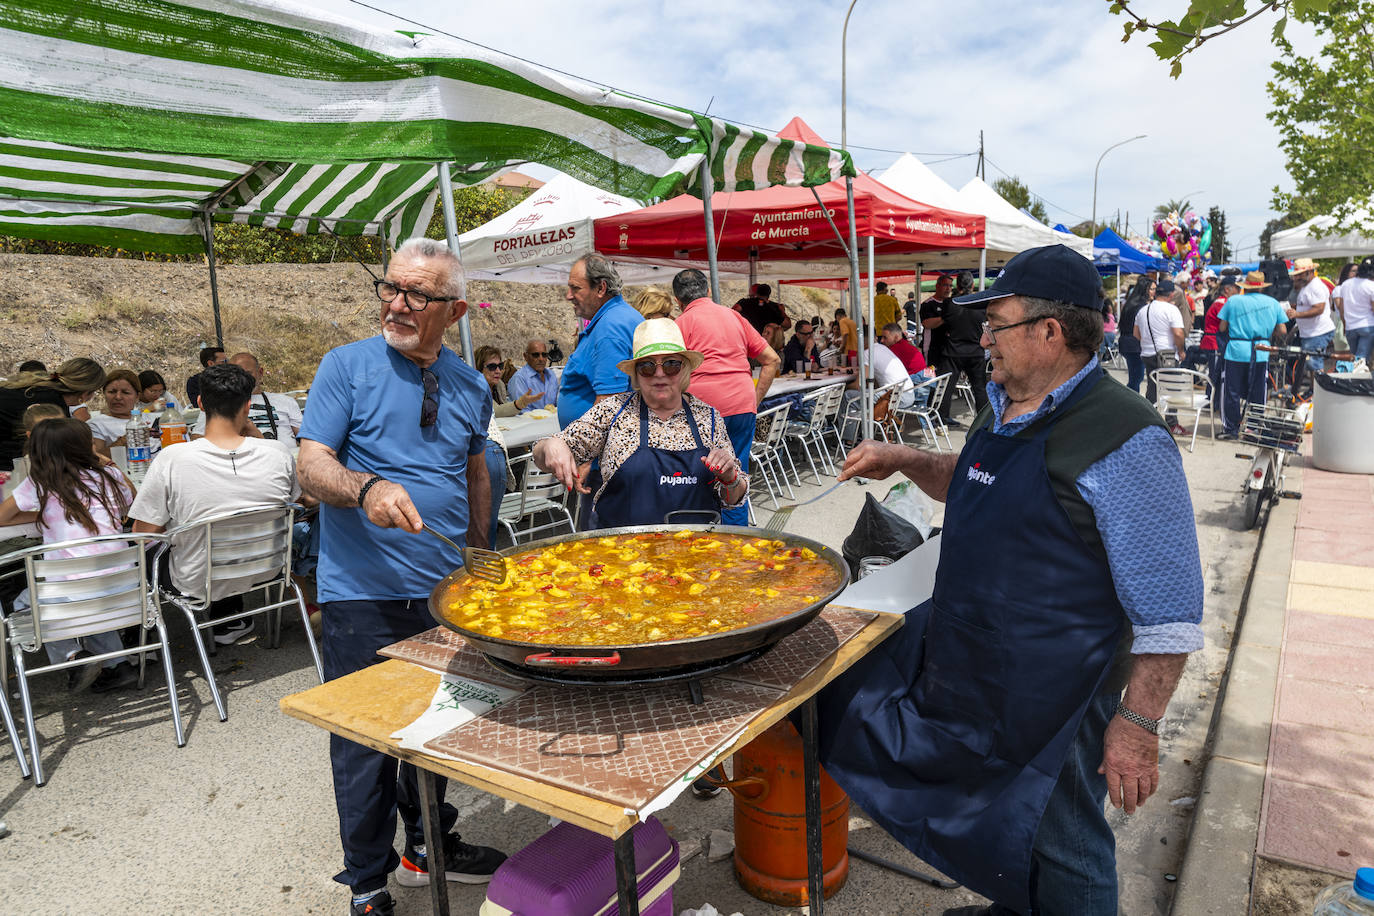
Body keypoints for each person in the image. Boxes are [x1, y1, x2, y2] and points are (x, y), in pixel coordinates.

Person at [816, 244, 1202, 916]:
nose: (984, 339)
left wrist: (1138, 723)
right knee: (1001, 815)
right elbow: (972, 479)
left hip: (1057, 693)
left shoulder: (1125, 437)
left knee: (1063, 836)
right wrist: (904, 458)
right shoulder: (1004, 403)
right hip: (978, 664)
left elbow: (1169, 612)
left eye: (995, 324)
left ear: (1049, 332)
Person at [295, 237, 505, 916]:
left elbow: (475, 470)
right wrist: (365, 488)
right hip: (363, 593)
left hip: (444, 594)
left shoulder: (472, 384)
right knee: (365, 740)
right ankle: (366, 883)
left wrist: (477, 551)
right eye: (391, 288)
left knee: (439, 730)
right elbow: (311, 466)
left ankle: (428, 847)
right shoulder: (346, 366)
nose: (397, 304)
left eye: (418, 294)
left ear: (455, 311)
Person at [129, 364, 297, 646]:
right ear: (248, 405)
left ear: (200, 403)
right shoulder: (278, 453)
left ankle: (136, 645)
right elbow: (294, 502)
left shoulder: (172, 458)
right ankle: (230, 618)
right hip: (268, 568)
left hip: (196, 579)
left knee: (141, 549)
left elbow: (143, 534)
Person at [532, 319, 747, 527]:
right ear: (636, 374)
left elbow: (733, 499)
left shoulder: (708, 418)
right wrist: (551, 446)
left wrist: (730, 479)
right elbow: (542, 455)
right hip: (622, 548)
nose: (659, 374)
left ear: (684, 369)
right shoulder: (613, 411)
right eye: (647, 366)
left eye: (671, 364)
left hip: (695, 547)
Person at [0, 418, 138, 693]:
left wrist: (47, 513)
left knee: (25, 604)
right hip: (125, 590)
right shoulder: (107, 476)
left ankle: (73, 658)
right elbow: (132, 500)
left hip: (73, 595)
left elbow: (3, 517)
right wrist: (106, 462)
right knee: (90, 592)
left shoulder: (40, 482)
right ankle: (117, 665)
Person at [672, 269, 778, 526]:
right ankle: (736, 537)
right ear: (709, 291)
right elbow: (772, 360)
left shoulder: (680, 324)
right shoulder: (734, 317)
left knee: (696, 478)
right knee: (734, 475)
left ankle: (702, 534)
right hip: (741, 405)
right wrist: (754, 400)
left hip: (700, 410)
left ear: (677, 300)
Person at [558, 254, 642, 528]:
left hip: (605, 464)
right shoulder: (615, 318)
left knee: (601, 541)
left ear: (601, 288)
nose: (569, 296)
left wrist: (587, 457)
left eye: (576, 288)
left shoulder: (610, 327)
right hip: (611, 457)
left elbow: (609, 403)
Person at [1217, 270, 1290, 440]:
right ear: (1262, 287)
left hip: (1236, 350)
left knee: (1231, 391)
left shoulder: (1233, 301)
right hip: (1262, 351)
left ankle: (1231, 428)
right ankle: (1254, 427)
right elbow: (1283, 331)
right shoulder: (1273, 303)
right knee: (1258, 391)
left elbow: (1222, 327)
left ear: (1246, 286)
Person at [0, 358, 105, 471]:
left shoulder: (43, 389)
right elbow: (50, 448)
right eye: (94, 391)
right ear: (86, 392)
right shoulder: (52, 405)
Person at [920, 273, 987, 428]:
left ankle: (941, 421)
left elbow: (946, 321)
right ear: (972, 285)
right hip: (975, 351)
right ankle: (984, 423)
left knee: (946, 388)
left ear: (957, 286)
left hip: (953, 352)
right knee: (980, 389)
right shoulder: (980, 303)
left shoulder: (949, 303)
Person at [201, 352, 306, 448]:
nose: (242, 379)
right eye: (235, 375)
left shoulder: (286, 401)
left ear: (260, 372)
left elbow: (305, 437)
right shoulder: (216, 402)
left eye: (247, 374)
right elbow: (199, 438)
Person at [1133, 279, 1186, 432]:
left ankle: (1150, 421)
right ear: (1171, 294)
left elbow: (1136, 334)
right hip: (1167, 354)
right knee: (1171, 389)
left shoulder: (1143, 310)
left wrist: (1149, 342)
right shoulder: (1171, 310)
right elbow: (1178, 333)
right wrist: (1181, 350)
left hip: (1147, 353)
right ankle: (1172, 423)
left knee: (1152, 388)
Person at [1286, 257, 1336, 383]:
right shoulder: (1308, 286)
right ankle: (1314, 389)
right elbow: (1309, 306)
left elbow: (1319, 309)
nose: (1296, 278)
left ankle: (1317, 390)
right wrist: (1294, 309)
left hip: (1317, 332)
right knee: (1312, 363)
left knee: (1314, 363)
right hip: (1312, 332)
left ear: (1309, 272)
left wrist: (1297, 314)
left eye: (1299, 275)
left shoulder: (1316, 287)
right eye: (1296, 275)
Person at [85, 369, 143, 452]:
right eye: (112, 392)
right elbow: (97, 457)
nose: (118, 397)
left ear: (137, 397)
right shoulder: (96, 424)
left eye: (125, 392)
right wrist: (123, 441)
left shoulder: (149, 420)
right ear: (104, 394)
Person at [475, 345, 540, 418]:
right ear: (479, 368)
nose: (498, 371)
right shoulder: (475, 388)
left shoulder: (499, 385)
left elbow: (503, 408)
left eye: (500, 366)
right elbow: (494, 411)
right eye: (492, 367)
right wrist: (520, 403)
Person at [1117, 278, 1154, 394]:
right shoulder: (1141, 307)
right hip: (1135, 344)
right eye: (1152, 289)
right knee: (1136, 379)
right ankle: (1129, 401)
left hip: (1126, 343)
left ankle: (1129, 399)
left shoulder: (1131, 303)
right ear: (1145, 290)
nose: (1154, 292)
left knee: (1135, 378)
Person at [506, 339, 560, 413]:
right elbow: (522, 412)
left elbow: (558, 404)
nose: (541, 359)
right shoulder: (519, 379)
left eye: (544, 355)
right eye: (536, 355)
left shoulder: (551, 376)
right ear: (525, 356)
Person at [1336, 257, 1374, 363]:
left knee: (1355, 358)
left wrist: (1344, 325)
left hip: (1350, 327)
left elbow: (1342, 308)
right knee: (1361, 360)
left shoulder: (1345, 285)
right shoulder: (1371, 286)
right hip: (1368, 326)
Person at [734, 283, 789, 350]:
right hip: (768, 347)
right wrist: (782, 311)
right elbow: (787, 325)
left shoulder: (744, 303)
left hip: (748, 345)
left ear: (756, 293)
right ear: (768, 295)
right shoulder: (774, 308)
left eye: (751, 295)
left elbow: (731, 313)